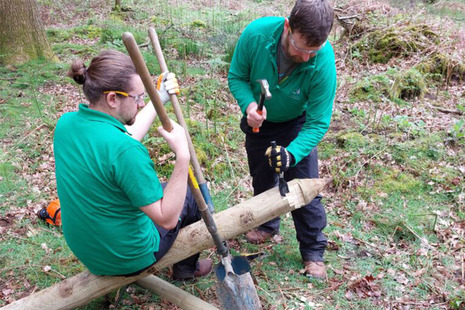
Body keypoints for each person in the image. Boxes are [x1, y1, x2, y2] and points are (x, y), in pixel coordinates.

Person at [53, 50, 212, 280]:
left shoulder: (66, 124)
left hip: (88, 251)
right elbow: (166, 218)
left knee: (156, 190)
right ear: (112, 99)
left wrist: (161, 97)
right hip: (126, 257)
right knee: (191, 195)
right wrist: (182, 156)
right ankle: (186, 269)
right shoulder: (126, 152)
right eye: (137, 98)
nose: (141, 103)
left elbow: (119, 142)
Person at [228, 0, 336, 280]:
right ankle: (266, 225)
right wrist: (249, 105)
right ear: (288, 27)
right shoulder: (256, 35)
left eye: (314, 50)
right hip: (259, 125)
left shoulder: (322, 60)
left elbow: (318, 122)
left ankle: (313, 251)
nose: (307, 58)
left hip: (296, 125)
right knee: (262, 179)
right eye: (301, 48)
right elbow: (237, 77)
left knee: (304, 189)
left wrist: (293, 153)